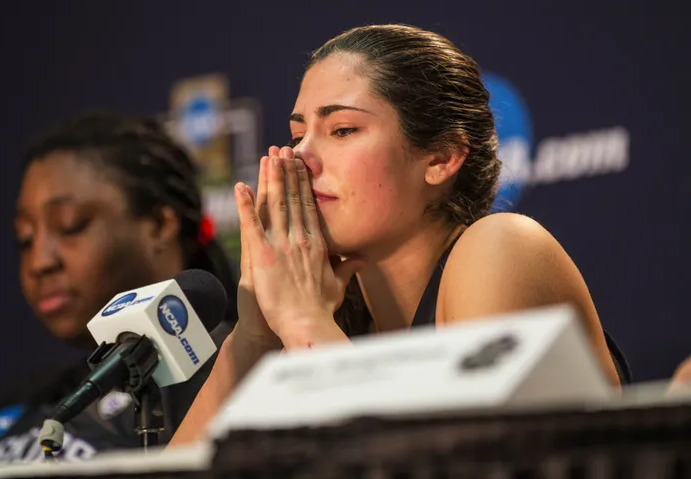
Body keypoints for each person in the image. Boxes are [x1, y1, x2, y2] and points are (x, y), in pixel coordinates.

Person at [168, 24, 631, 446]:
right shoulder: (333, 316)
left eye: (343, 130)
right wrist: (256, 334)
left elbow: (455, 463)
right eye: (296, 136)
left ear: (440, 158)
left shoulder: (501, 248)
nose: (300, 159)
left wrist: (304, 323)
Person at [0, 112, 237, 468]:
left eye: (70, 226)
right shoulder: (34, 397)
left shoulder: (236, 367)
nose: (40, 261)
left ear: (158, 224)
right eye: (24, 239)